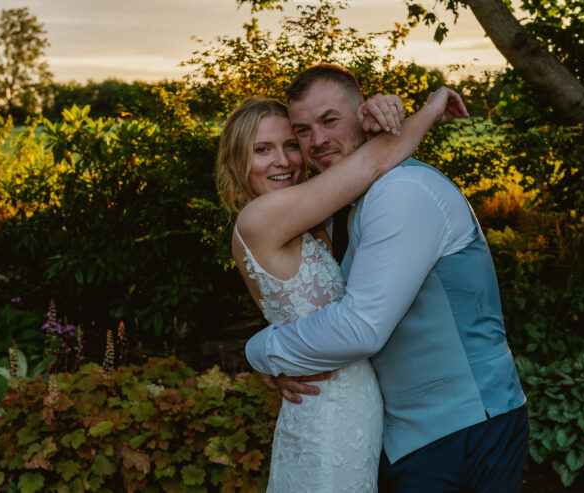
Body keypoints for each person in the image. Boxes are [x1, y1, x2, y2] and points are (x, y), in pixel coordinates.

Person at [245, 64, 529, 492]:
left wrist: (263, 350)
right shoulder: (341, 209)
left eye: (330, 120)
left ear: (363, 115)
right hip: (395, 435)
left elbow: (362, 327)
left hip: (464, 426)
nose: (317, 141)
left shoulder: (403, 191)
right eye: (303, 130)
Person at [217, 86, 467, 492]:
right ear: (235, 161)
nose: (282, 161)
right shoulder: (261, 217)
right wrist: (430, 110)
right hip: (328, 408)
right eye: (262, 150)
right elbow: (375, 162)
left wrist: (373, 111)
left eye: (289, 145)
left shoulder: (305, 218)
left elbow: (358, 163)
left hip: (349, 404)